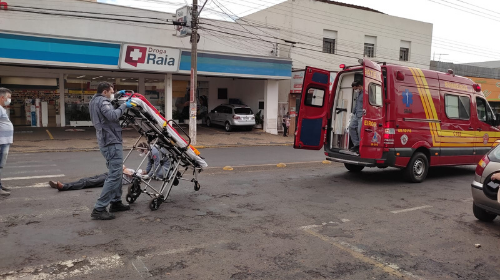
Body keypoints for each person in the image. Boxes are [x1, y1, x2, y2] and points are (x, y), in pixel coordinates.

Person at [88, 82, 132, 220]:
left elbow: (107, 109)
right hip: (111, 141)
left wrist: (118, 96)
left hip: (105, 141)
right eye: (112, 92)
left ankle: (116, 202)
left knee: (117, 172)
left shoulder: (94, 101)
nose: (112, 94)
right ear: (105, 92)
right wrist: (124, 106)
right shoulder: (103, 101)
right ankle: (99, 208)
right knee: (114, 175)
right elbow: (112, 115)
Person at [49, 166, 135, 191]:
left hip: (112, 179)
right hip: (109, 174)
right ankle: (63, 184)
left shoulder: (136, 175)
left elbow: (128, 173)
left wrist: (124, 169)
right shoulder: (135, 170)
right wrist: (123, 168)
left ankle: (63, 187)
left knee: (87, 183)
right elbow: (122, 166)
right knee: (84, 180)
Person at [0, 88, 13, 197]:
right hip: (1, 141)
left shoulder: (1, 108)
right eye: (8, 97)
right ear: (2, 97)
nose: (9, 100)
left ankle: (0, 185)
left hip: (4, 141)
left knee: (0, 165)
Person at [348, 80, 364, 154]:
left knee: (360, 131)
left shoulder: (365, 94)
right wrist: (352, 113)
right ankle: (356, 144)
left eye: (356, 88)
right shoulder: (358, 94)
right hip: (356, 114)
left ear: (360, 86)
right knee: (351, 127)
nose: (355, 90)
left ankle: (361, 147)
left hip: (362, 115)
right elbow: (356, 104)